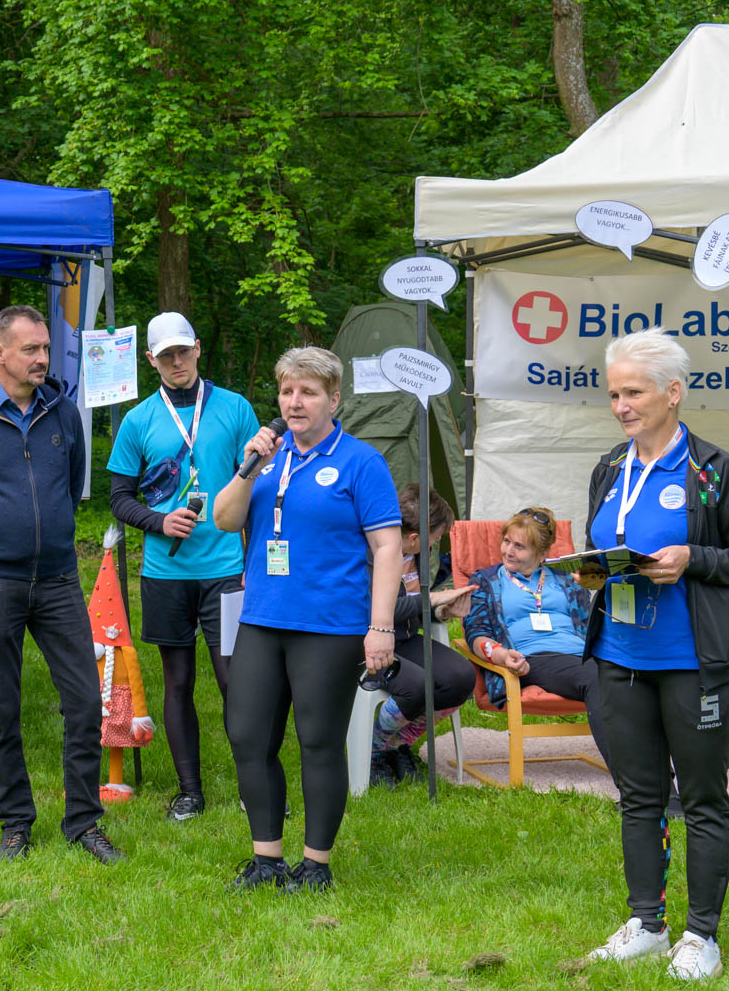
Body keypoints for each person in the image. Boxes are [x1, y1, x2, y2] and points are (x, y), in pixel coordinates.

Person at [580, 330, 729, 981]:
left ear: (672, 392)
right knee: (639, 796)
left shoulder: (715, 471)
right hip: (619, 656)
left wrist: (694, 558)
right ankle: (647, 924)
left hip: (693, 661)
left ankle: (701, 937)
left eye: (632, 393)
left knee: (702, 798)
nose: (621, 406)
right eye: (613, 394)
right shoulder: (610, 466)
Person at [0, 304, 123, 864]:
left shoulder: (63, 413)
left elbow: (72, 485)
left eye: (45, 348)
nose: (42, 358)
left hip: (58, 580)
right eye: (30, 349)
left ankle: (83, 821)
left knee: (84, 702)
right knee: (1, 708)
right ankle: (15, 822)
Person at [212, 347, 400, 893]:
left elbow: (387, 547)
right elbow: (224, 519)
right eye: (287, 391)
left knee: (318, 742)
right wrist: (250, 467)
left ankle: (315, 865)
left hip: (329, 625)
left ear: (333, 399)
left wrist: (381, 626)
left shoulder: (361, 462)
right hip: (262, 618)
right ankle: (266, 859)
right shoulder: (265, 458)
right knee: (248, 737)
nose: (294, 402)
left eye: (308, 392)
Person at [107, 311, 260, 821]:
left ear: (197, 347)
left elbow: (258, 488)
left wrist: (255, 558)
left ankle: (254, 786)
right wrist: (158, 521)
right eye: (166, 355)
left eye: (183, 351)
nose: (177, 362)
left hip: (226, 570)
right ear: (151, 360)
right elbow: (119, 498)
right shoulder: (138, 420)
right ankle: (189, 791)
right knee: (178, 681)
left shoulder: (235, 408)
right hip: (166, 574)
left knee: (234, 679)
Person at [460, 504, 612, 767]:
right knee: (597, 676)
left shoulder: (566, 579)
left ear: (541, 553)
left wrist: (596, 583)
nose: (508, 550)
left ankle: (652, 775)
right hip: (532, 658)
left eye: (519, 546)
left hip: (581, 655)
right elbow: (476, 633)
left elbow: (593, 622)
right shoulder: (486, 580)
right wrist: (501, 655)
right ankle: (635, 779)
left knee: (628, 679)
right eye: (506, 541)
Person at [363, 484, 475, 788]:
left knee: (461, 678)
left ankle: (398, 743)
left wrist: (444, 611)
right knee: (415, 686)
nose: (436, 542)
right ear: (414, 537)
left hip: (406, 638)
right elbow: (381, 609)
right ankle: (374, 751)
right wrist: (434, 599)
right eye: (435, 537)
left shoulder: (415, 556)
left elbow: (412, 608)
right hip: (370, 643)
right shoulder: (370, 555)